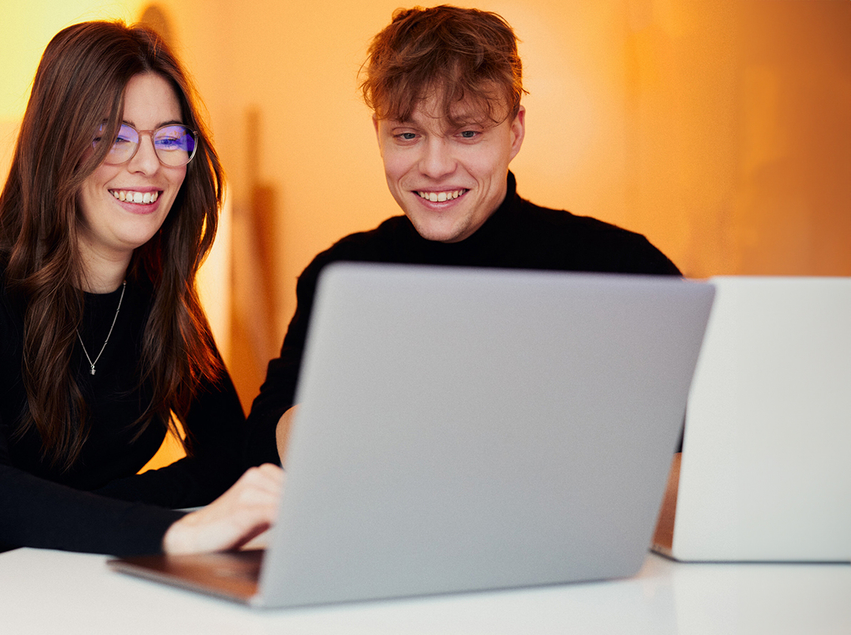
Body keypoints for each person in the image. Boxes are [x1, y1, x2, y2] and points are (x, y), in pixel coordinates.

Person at [0, 21, 281, 597]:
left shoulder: (165, 303)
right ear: (57, 145)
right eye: (115, 136)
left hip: (54, 587)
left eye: (169, 138)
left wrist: (80, 511)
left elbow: (224, 460)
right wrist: (173, 531)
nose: (148, 165)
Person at [246, 5, 682, 465]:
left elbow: (699, 455)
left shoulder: (625, 270)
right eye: (407, 135)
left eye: (467, 132)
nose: (435, 167)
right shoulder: (340, 274)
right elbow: (259, 443)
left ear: (515, 133)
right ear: (379, 135)